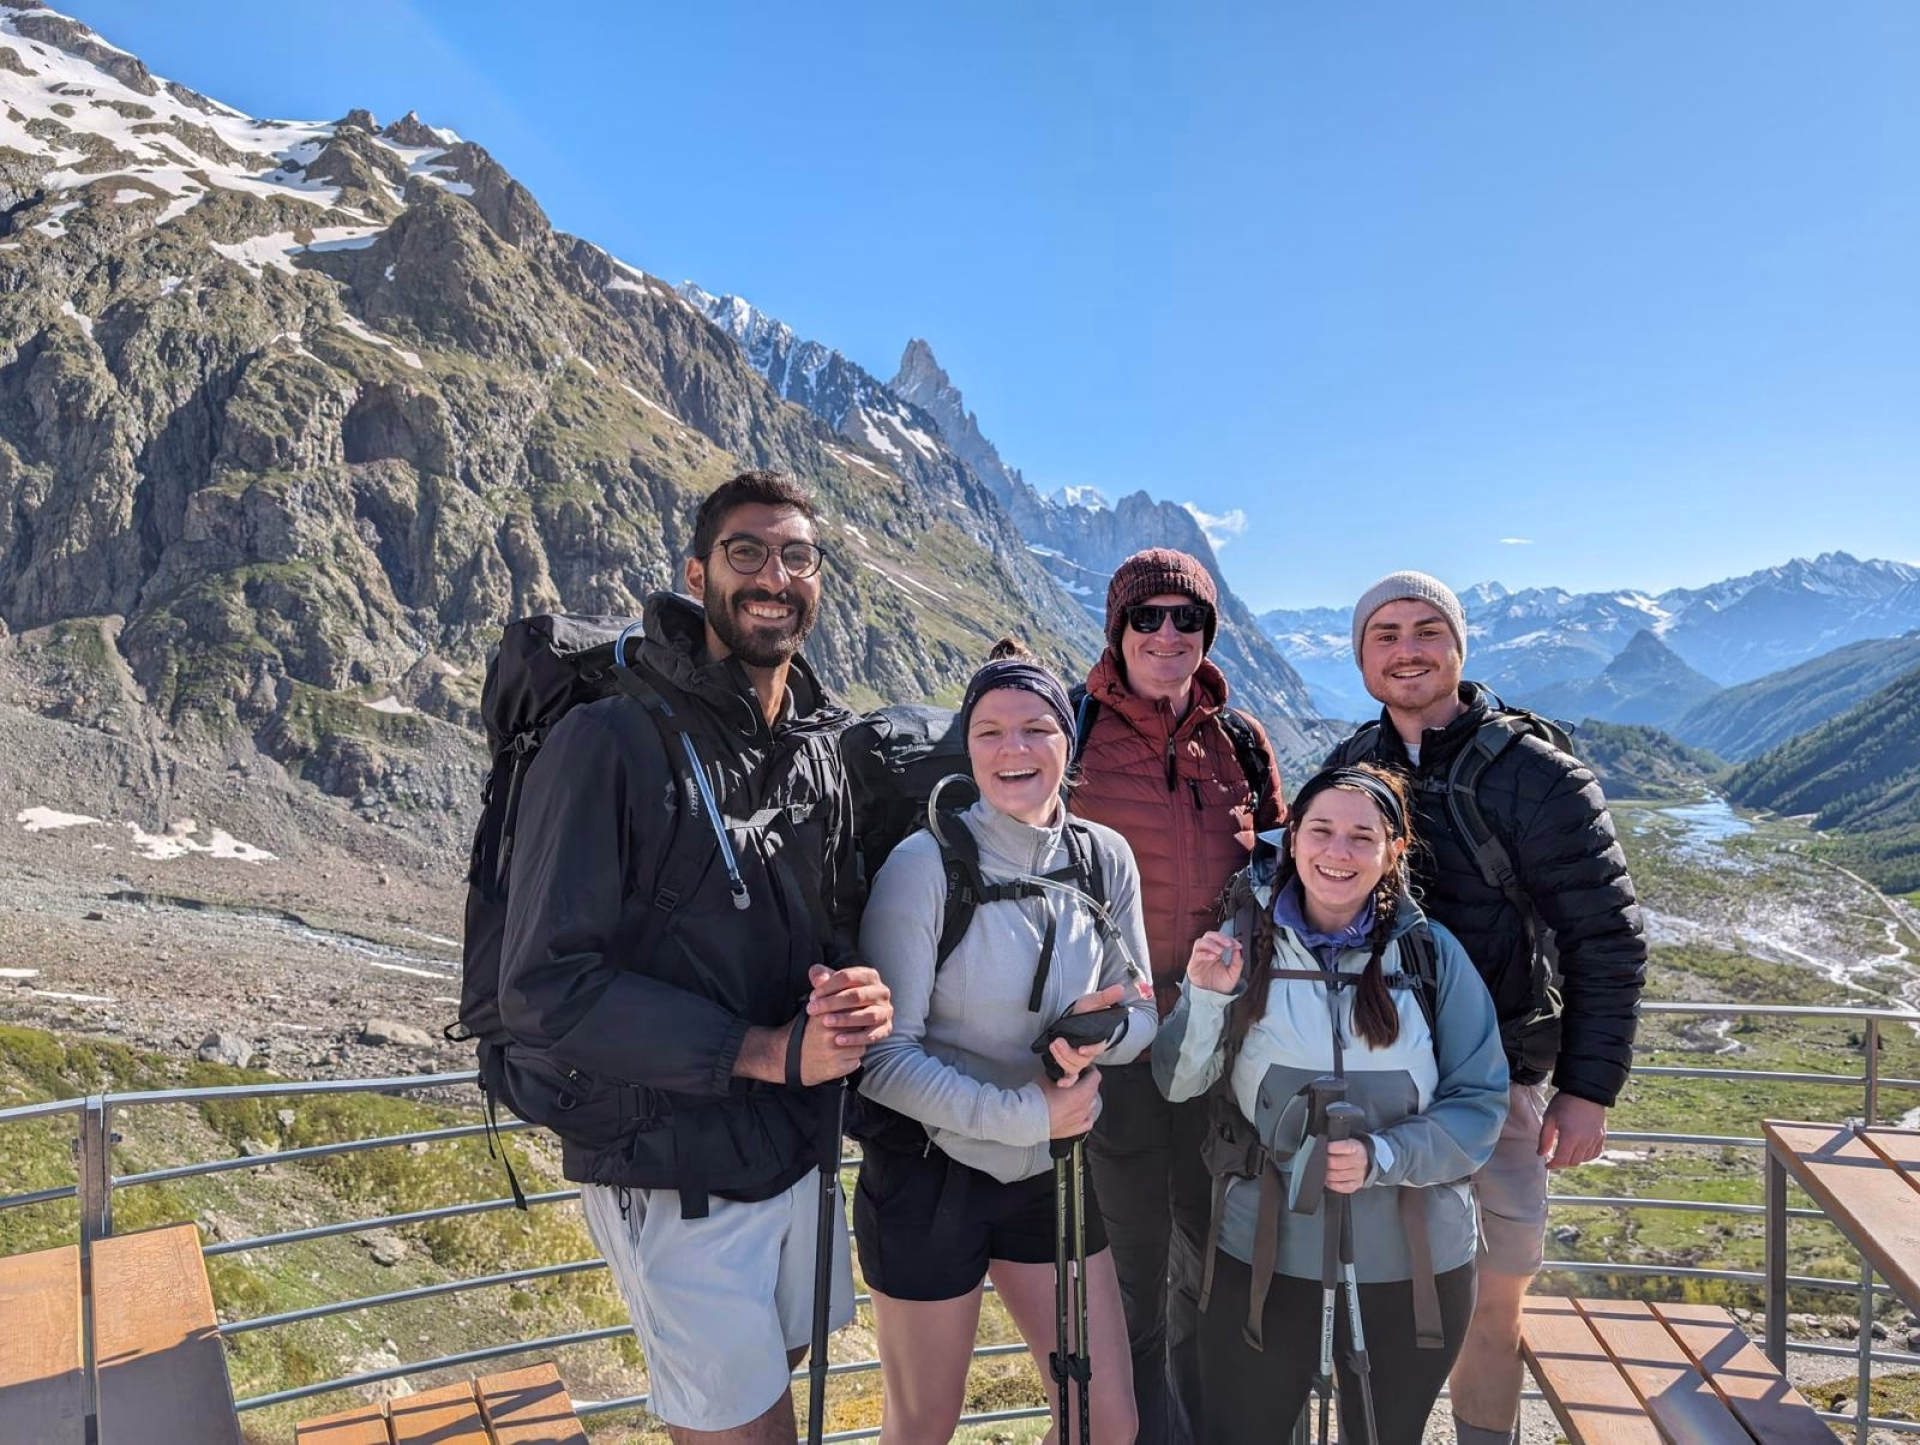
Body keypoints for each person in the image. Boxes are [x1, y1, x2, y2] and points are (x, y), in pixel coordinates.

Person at [498, 470, 893, 1444]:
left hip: (791, 1152)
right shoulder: (610, 741)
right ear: (697, 573)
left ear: (818, 582)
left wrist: (852, 990)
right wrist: (761, 1048)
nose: (773, 574)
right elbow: (544, 987)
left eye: (796, 555)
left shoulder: (811, 745)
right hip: (668, 1162)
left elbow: (827, 916)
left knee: (780, 1379)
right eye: (746, 552)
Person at [1332, 571, 1648, 1445]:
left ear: (1459, 646)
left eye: (1426, 630)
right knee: (1366, 1298)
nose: (1407, 650)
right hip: (1375, 1080)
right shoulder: (1348, 770)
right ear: (1362, 656)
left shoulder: (1539, 777)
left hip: (1502, 1082)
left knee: (1493, 1296)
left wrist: (1589, 1090)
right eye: (1385, 634)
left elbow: (1606, 937)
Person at [855, 640, 1159, 1445]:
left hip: (1048, 1177)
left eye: (1034, 728)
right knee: (923, 1425)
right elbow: (884, 1059)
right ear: (967, 745)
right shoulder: (923, 865)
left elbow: (1145, 1012)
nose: (1012, 749)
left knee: (1105, 1421)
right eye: (989, 731)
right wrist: (1031, 1114)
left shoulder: (1104, 859)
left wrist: (1100, 1034)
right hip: (926, 1176)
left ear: (1069, 740)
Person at [1154, 763, 1507, 1445]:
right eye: (1320, 830)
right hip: (1262, 1256)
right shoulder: (1242, 947)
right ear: (1291, 841)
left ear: (1392, 851)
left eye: (1360, 836)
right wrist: (1206, 998)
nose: (1337, 852)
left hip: (1414, 1263)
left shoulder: (1431, 956)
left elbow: (1481, 1102)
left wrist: (1384, 1155)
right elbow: (1178, 1082)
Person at [1069, 547, 1284, 1443]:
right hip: (1115, 1046)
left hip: (1218, 1045)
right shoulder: (1073, 730)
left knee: (1212, 1254)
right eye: (1146, 616)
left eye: (1186, 617)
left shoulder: (1239, 742)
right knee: (1128, 1264)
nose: (1167, 633)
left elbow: (1279, 875)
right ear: (1117, 631)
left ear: (1207, 632)